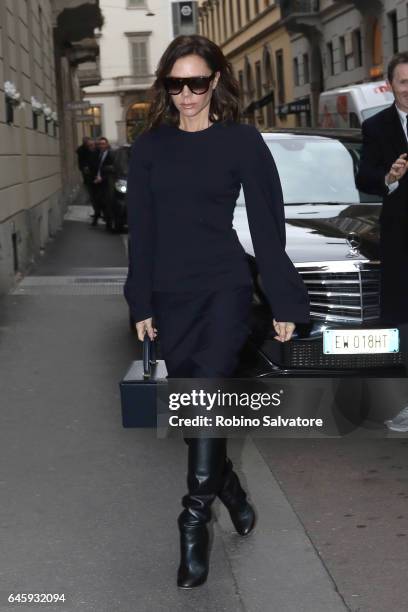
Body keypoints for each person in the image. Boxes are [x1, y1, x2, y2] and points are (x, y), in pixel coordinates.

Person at [124, 34, 310, 588]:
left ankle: (193, 521)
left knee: (204, 396)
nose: (186, 94)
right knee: (194, 411)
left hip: (224, 291)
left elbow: (268, 227)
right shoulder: (151, 147)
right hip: (171, 296)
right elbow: (144, 233)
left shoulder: (241, 142)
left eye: (196, 83)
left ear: (216, 82)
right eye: (175, 84)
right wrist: (141, 301)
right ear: (165, 86)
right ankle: (229, 491)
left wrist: (283, 298)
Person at [355, 51, 408, 432]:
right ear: (391, 86)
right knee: (402, 325)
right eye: (404, 81)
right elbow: (365, 177)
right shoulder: (376, 126)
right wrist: (389, 176)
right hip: (400, 241)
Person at [91, 137, 115, 229]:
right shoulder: (99, 154)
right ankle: (98, 219)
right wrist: (96, 177)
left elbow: (112, 169)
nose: (101, 145)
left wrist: (102, 178)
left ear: (107, 144)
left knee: (107, 203)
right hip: (97, 181)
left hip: (107, 182)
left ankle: (109, 224)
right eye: (100, 144)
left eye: (103, 143)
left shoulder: (111, 154)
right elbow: (97, 167)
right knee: (98, 201)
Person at [76, 136, 98, 213]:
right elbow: (81, 163)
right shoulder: (81, 151)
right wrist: (84, 168)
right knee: (92, 196)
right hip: (88, 177)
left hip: (98, 177)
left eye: (92, 145)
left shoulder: (97, 151)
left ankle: (98, 210)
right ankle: (96, 211)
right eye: (89, 145)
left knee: (98, 196)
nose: (91, 146)